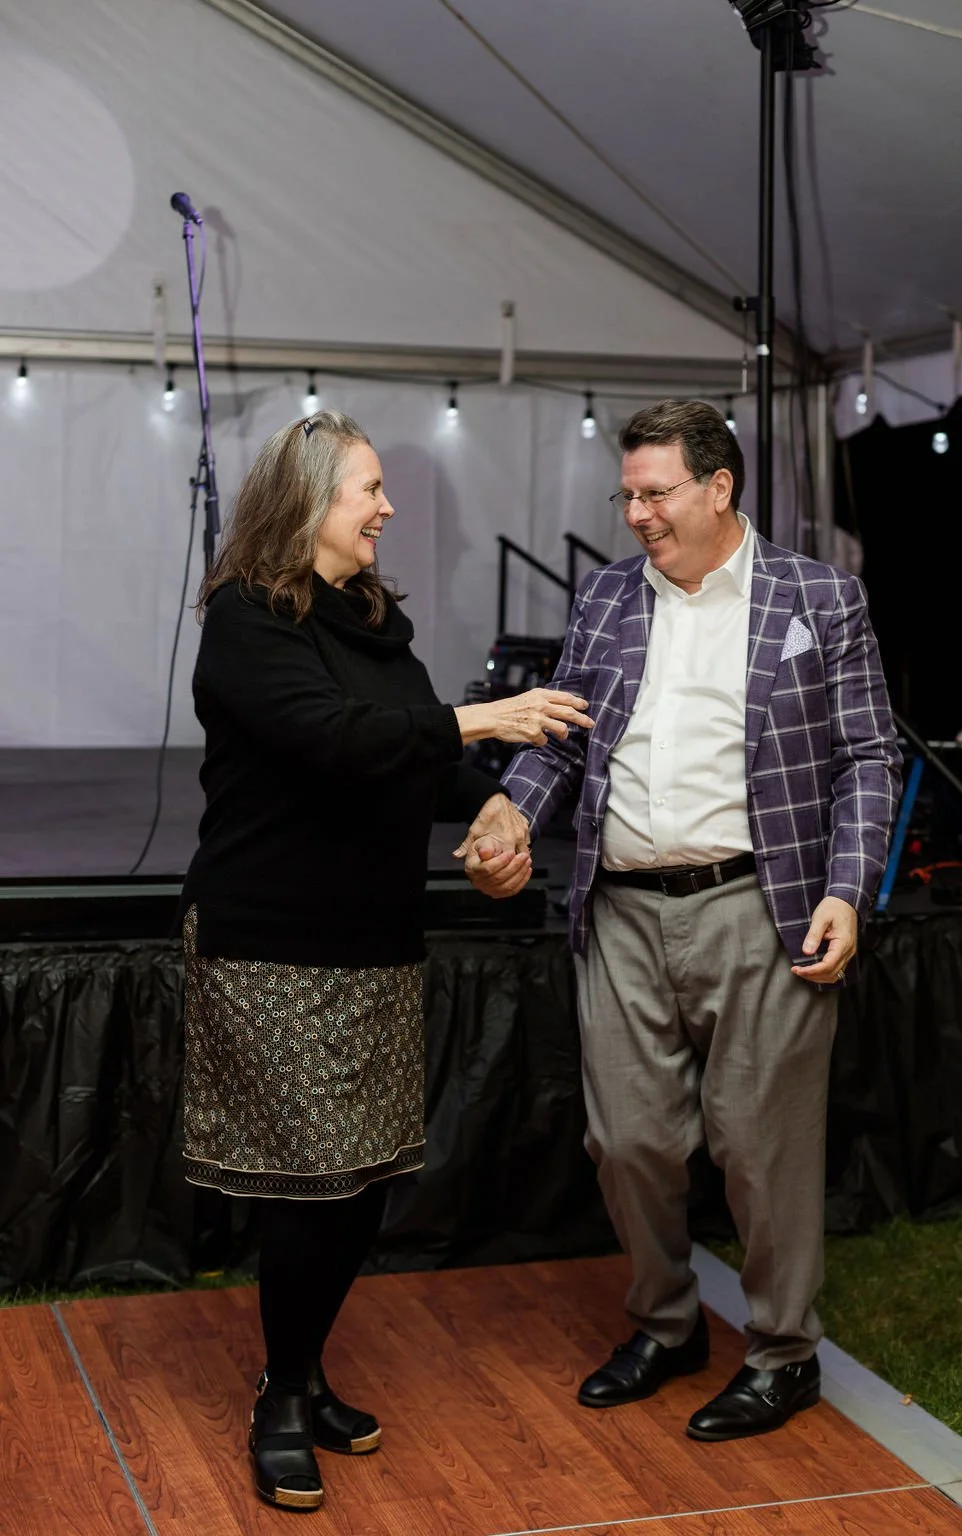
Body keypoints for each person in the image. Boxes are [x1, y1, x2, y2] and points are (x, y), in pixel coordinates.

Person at [457, 400, 901, 1442]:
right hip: (619, 909)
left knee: (761, 1147)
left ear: (718, 486)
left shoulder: (818, 595)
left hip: (761, 904)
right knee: (625, 1141)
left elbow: (868, 756)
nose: (637, 516)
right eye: (627, 496)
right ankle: (667, 1326)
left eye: (655, 494)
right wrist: (510, 810)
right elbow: (564, 739)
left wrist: (847, 888)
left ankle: (783, 1353)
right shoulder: (607, 595)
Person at [178, 408, 593, 1513]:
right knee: (315, 1180)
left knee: (363, 1179)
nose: (387, 507)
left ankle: (306, 1369)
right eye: (369, 489)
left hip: (374, 940)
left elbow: (417, 760)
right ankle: (280, 1396)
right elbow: (336, 739)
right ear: (309, 501)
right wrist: (487, 718)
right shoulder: (246, 619)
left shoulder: (370, 620)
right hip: (273, 941)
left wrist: (498, 813)